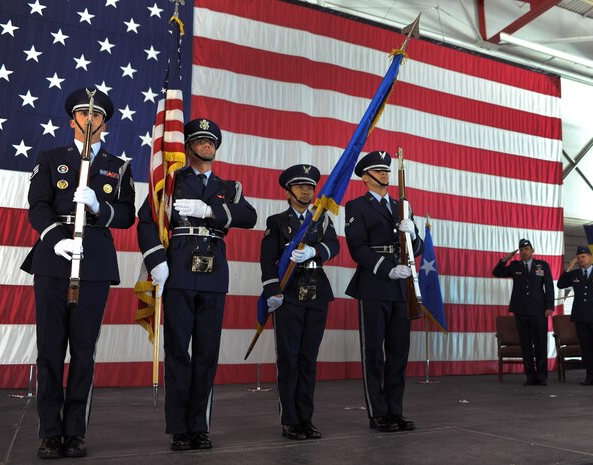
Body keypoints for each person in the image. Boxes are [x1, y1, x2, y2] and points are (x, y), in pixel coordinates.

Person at [21, 88, 136, 459]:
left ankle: (74, 433)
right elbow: (37, 205)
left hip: (95, 259)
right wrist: (54, 238)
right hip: (55, 258)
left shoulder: (118, 167)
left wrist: (99, 206)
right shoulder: (51, 158)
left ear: (105, 122)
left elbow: (127, 216)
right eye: (83, 115)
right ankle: (49, 433)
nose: (90, 121)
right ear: (73, 120)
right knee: (50, 351)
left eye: (97, 115)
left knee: (83, 353)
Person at [137, 118, 258, 451]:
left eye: (211, 141)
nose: (207, 145)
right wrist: (155, 261)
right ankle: (179, 428)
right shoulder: (170, 181)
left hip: (214, 272)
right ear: (187, 145)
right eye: (200, 140)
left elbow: (249, 216)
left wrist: (209, 209)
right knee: (177, 352)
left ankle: (199, 425)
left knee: (206, 353)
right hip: (177, 267)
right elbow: (146, 221)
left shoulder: (228, 186)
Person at [343, 150, 422, 433]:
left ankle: (395, 411)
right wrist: (385, 267)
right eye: (380, 171)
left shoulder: (403, 206)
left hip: (402, 287)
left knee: (399, 353)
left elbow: (419, 248)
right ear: (366, 177)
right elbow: (358, 248)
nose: (386, 175)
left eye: (387, 171)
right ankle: (378, 413)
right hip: (375, 283)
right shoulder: (356, 207)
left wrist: (413, 233)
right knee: (374, 352)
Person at [260, 164, 340, 440]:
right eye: (300, 186)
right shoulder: (277, 221)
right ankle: (290, 420)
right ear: (288, 192)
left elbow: (334, 246)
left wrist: (315, 251)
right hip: (289, 295)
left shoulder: (322, 219)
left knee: (308, 360)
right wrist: (272, 291)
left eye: (310, 187)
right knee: (290, 359)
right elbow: (267, 260)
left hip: (317, 292)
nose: (306, 191)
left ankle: (306, 418)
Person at [492, 239, 554, 386]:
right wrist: (505, 259)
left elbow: (549, 286)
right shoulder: (515, 265)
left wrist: (549, 306)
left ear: (532, 250)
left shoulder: (542, 265)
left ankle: (542, 376)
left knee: (540, 343)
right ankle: (530, 377)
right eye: (521, 249)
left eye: (526, 248)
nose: (524, 251)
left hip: (539, 310)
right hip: (521, 310)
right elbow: (497, 272)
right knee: (525, 344)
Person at [557, 246, 593, 386]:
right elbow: (560, 284)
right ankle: (590, 376)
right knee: (586, 349)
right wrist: (568, 268)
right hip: (581, 316)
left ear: (590, 257)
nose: (580, 259)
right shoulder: (575, 274)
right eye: (578, 257)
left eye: (583, 256)